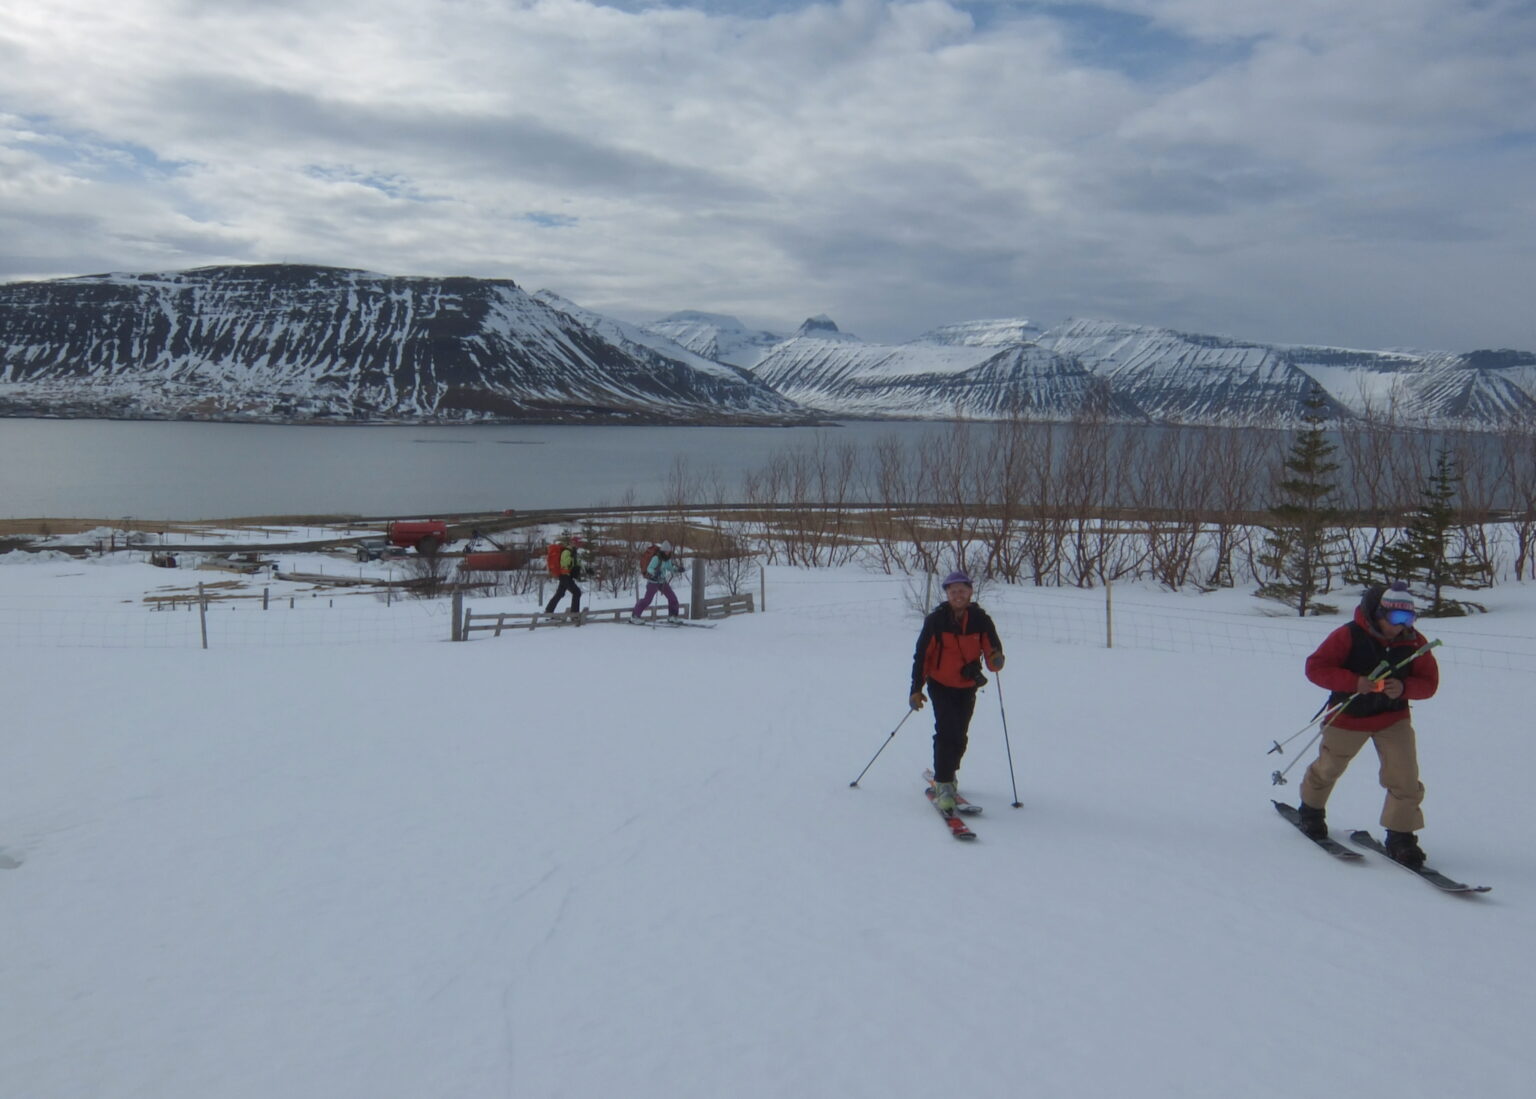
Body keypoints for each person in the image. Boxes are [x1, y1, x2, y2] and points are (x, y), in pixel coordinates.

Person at [1295, 581, 1440, 867]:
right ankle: (1311, 810)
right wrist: (1354, 682)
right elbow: (1316, 667)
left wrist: (1404, 687)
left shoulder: (1415, 642)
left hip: (1393, 719)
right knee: (1329, 768)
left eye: (1409, 619)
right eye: (1397, 618)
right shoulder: (1348, 635)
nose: (1402, 625)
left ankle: (1401, 837)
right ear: (1379, 613)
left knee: (1404, 777)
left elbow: (1429, 684)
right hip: (1348, 715)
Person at [909, 570, 1004, 810]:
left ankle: (949, 774)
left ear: (970, 592)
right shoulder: (936, 621)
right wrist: (916, 689)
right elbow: (922, 657)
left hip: (967, 687)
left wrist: (996, 659)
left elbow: (993, 653)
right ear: (947, 594)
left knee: (960, 735)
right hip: (940, 685)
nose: (958, 595)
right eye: (953, 591)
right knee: (946, 732)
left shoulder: (981, 620)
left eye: (962, 590)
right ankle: (943, 784)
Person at [630, 541, 682, 621]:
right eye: (667, 551)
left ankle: (673, 616)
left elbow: (670, 567)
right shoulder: (656, 558)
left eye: (669, 551)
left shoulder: (667, 559)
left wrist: (678, 569)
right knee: (647, 600)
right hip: (653, 582)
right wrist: (655, 573)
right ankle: (635, 616)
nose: (668, 552)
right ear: (663, 551)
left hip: (662, 582)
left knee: (672, 598)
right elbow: (649, 568)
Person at [544, 533, 584, 614]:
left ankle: (548, 611)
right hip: (565, 576)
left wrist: (586, 569)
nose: (577, 545)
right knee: (577, 592)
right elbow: (565, 564)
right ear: (571, 543)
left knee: (560, 594)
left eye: (578, 544)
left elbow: (577, 563)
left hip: (566, 576)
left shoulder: (573, 552)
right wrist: (572, 564)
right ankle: (574, 614)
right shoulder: (567, 551)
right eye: (575, 543)